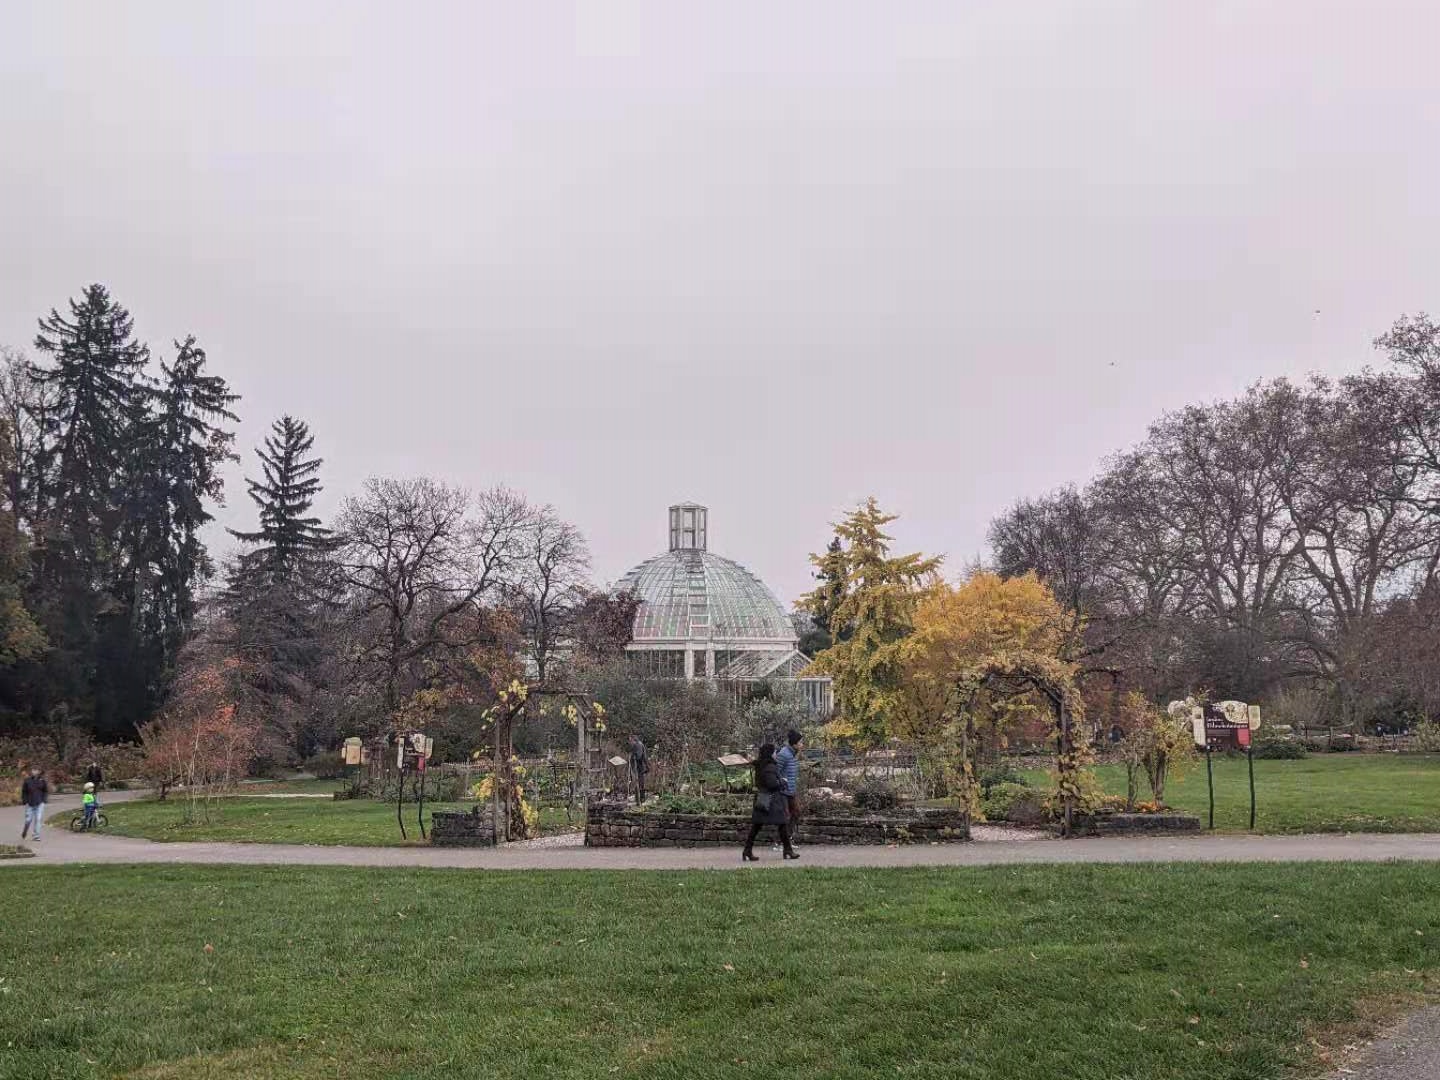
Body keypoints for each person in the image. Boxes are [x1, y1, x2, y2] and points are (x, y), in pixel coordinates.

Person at [742, 743, 796, 862]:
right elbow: (772, 784)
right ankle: (788, 850)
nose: (776, 754)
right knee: (781, 823)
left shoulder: (760, 765)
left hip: (762, 798)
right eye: (775, 752)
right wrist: (783, 781)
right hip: (772, 801)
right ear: (770, 753)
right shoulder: (770, 767)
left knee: (757, 826)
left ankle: (747, 850)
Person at [775, 728, 803, 833]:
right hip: (783, 791)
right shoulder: (783, 754)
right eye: (800, 742)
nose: (802, 744)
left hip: (791, 790)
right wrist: (782, 782)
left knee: (796, 812)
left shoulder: (793, 754)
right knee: (785, 817)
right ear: (794, 744)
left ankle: (788, 838)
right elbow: (776, 772)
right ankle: (780, 842)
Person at [20, 766, 48, 843]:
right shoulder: (27, 780)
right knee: (28, 820)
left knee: (38, 819)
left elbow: (45, 791)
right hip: (30, 803)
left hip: (39, 803)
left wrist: (44, 800)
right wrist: (25, 800)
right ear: (31, 771)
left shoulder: (42, 781)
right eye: (33, 770)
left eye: (36, 770)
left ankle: (36, 836)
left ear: (39, 771)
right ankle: (25, 830)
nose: (34, 771)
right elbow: (24, 791)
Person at [628, 735, 650, 805]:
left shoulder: (638, 745)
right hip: (639, 766)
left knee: (640, 782)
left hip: (639, 766)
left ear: (634, 740)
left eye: (630, 740)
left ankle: (641, 798)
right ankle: (639, 798)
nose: (630, 742)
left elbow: (639, 756)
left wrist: (633, 756)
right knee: (639, 781)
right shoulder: (637, 745)